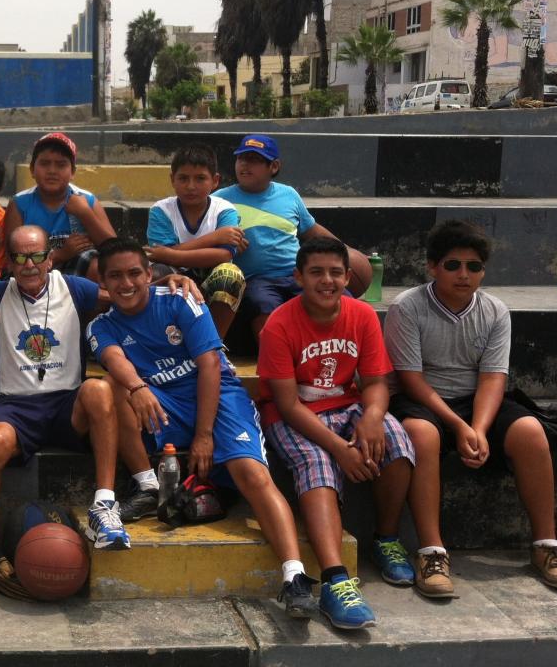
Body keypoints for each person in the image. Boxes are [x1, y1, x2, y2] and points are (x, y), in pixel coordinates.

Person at [86, 236, 318, 621]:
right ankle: (148, 485)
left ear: (150, 274)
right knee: (113, 387)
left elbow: (209, 365)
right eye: (115, 277)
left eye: (134, 274)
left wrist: (204, 435)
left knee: (252, 474)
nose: (126, 284)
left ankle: (294, 575)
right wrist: (139, 387)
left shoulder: (180, 301)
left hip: (218, 395)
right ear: (104, 284)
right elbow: (114, 360)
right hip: (163, 402)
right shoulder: (101, 325)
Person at [384, 220, 557, 594]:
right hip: (424, 398)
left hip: (477, 401)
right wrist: (459, 426)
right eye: (453, 265)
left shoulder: (495, 311)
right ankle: (431, 552)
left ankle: (546, 545)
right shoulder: (407, 307)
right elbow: (412, 380)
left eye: (474, 267)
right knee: (420, 435)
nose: (464, 275)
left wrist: (480, 429)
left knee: (530, 431)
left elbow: (492, 379)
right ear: (432, 267)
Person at [0, 224, 130, 603]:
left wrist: (175, 281)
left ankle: (104, 506)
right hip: (17, 405)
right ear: (8, 263)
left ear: (50, 257)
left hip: (66, 402)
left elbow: (125, 294)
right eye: (19, 256)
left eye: (36, 255)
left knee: (98, 389)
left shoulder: (74, 288)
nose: (29, 264)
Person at [257, 237, 416, 630]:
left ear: (348, 277)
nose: (326, 280)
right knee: (317, 462)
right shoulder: (279, 323)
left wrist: (374, 415)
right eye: (316, 272)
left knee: (395, 437)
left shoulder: (362, 315)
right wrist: (340, 450)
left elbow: (377, 382)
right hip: (293, 415)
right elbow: (289, 404)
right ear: (298, 277)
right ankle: (335, 580)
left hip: (347, 404)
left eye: (334, 272)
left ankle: (386, 539)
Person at [213, 134, 370, 340]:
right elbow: (204, 236)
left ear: (274, 166)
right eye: (241, 158)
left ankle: (338, 353)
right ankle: (276, 357)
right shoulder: (220, 200)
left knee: (343, 301)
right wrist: (223, 241)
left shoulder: (288, 195)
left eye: (255, 159)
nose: (245, 164)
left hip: (296, 274)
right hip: (256, 279)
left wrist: (343, 251)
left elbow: (311, 229)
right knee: (265, 306)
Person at [145, 144, 248, 338]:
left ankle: (215, 344)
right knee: (157, 272)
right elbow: (161, 257)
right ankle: (166, 341)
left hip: (210, 278)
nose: (191, 186)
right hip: (174, 277)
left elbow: (224, 255)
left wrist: (172, 254)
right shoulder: (161, 210)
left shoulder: (224, 210)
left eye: (200, 178)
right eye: (183, 178)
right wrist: (214, 237)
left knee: (230, 274)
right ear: (172, 180)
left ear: (215, 181)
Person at [4, 132, 116, 279]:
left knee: (96, 265)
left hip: (78, 274)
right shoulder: (19, 204)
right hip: (33, 272)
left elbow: (114, 250)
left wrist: (85, 214)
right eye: (44, 163)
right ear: (32, 169)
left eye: (61, 165)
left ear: (73, 172)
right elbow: (12, 261)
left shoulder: (86, 200)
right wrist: (60, 254)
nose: (52, 171)